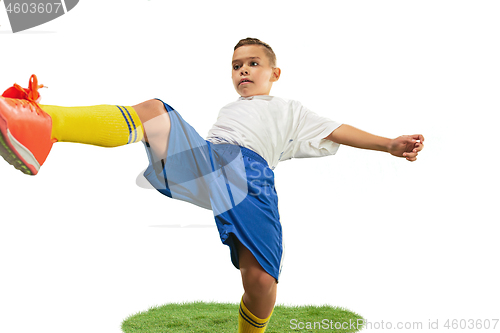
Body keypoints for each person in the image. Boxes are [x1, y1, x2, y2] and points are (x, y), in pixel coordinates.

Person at [0, 37, 424, 333]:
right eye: (236, 65)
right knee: (153, 110)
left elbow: (337, 130)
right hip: (207, 160)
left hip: (251, 178)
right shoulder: (230, 109)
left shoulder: (289, 109)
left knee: (261, 283)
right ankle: (37, 121)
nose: (243, 70)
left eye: (252, 63)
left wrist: (388, 144)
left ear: (275, 72)